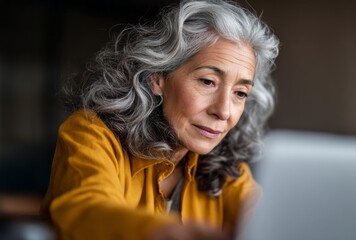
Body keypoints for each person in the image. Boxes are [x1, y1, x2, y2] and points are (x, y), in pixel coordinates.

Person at [40, 0, 279, 239]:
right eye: (208, 81)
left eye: (240, 93)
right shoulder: (90, 133)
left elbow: (270, 222)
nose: (224, 111)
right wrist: (163, 231)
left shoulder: (228, 170)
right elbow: (85, 210)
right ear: (158, 78)